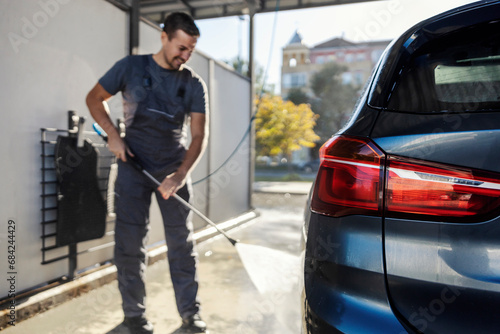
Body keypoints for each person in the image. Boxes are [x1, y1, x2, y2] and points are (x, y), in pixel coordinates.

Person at [86, 12, 208, 334]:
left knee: (181, 244)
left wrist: (180, 175)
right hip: (132, 166)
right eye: (181, 47)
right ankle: (134, 318)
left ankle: (190, 316)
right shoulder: (131, 68)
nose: (185, 55)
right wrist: (113, 135)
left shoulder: (193, 83)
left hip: (173, 168)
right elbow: (94, 98)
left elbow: (198, 136)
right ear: (164, 37)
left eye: (190, 50)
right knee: (129, 245)